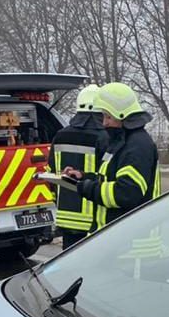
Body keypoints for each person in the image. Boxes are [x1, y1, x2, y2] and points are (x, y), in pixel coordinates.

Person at [63, 82, 160, 229]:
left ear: (122, 115)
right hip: (118, 237)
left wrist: (88, 188)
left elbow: (126, 193)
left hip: (132, 242)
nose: (104, 123)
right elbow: (110, 179)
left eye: (108, 117)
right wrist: (83, 177)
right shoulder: (122, 141)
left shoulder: (137, 146)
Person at [50, 84, 108, 249]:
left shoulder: (60, 135)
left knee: (69, 265)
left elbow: (51, 173)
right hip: (93, 216)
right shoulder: (104, 137)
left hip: (66, 215)